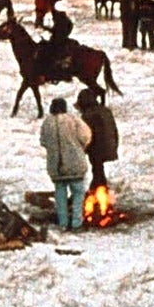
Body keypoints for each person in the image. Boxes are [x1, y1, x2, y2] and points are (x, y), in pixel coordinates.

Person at [40, 97, 93, 230]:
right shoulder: (74, 120)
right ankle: (76, 222)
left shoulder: (47, 122)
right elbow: (86, 136)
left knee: (60, 195)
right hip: (75, 163)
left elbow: (43, 141)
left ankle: (62, 222)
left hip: (56, 166)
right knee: (78, 193)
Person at [77, 86, 119, 188]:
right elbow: (114, 130)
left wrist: (82, 149)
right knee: (98, 169)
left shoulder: (88, 115)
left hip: (97, 148)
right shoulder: (105, 111)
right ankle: (99, 190)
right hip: (110, 144)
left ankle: (97, 191)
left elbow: (86, 135)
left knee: (97, 169)